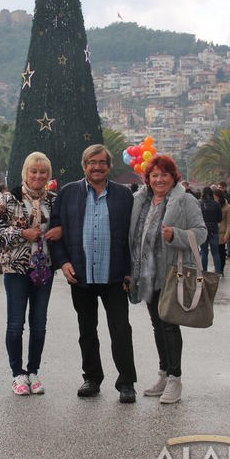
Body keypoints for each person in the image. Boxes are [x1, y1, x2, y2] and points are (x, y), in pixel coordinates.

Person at [50, 144, 137, 403]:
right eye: (91, 162)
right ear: (84, 165)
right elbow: (55, 231)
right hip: (81, 275)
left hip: (115, 276)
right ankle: (92, 378)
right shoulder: (68, 193)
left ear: (109, 166)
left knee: (121, 330)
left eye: (101, 162)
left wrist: (130, 271)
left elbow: (132, 237)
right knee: (87, 330)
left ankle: (126, 383)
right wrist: (63, 262)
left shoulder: (124, 195)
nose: (96, 167)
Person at [129, 155, 207, 404]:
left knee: (170, 325)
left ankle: (175, 378)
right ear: (148, 178)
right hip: (147, 273)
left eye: (164, 174)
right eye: (154, 175)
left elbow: (201, 233)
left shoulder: (185, 201)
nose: (159, 179)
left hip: (172, 272)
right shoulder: (141, 201)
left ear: (174, 177)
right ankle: (163, 373)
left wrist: (176, 235)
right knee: (157, 324)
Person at [0, 153, 60, 396]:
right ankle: (17, 374)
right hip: (16, 270)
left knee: (39, 324)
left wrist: (60, 231)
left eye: (43, 172)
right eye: (34, 171)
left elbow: (63, 227)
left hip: (43, 268)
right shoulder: (9, 200)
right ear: (25, 173)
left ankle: (33, 372)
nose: (38, 176)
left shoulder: (53, 200)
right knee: (15, 324)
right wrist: (22, 234)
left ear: (48, 175)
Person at [199, 186, 222, 273]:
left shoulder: (199, 203)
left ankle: (204, 272)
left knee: (204, 252)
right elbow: (219, 218)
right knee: (215, 253)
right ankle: (218, 272)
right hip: (214, 230)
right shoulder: (216, 204)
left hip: (203, 230)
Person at [214, 188, 230, 275]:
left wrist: (227, 235)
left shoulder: (227, 207)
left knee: (221, 252)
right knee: (215, 252)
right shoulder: (213, 205)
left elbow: (229, 223)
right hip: (213, 232)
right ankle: (217, 268)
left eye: (215, 197)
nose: (214, 199)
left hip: (222, 233)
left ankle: (221, 269)